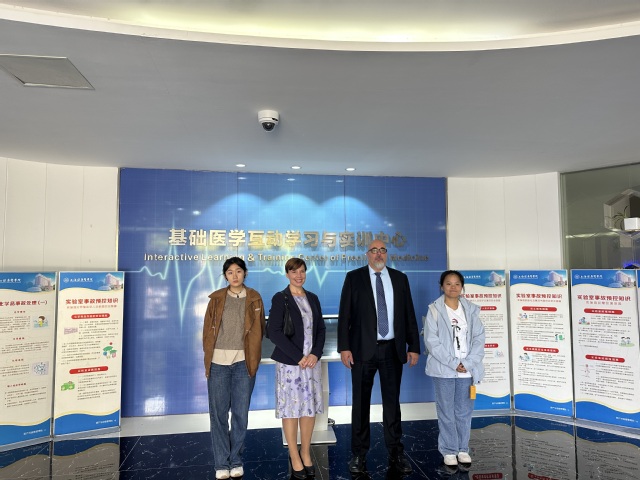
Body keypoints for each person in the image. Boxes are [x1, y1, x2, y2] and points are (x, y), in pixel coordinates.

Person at [337, 239, 420, 474]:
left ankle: (396, 452)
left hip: (392, 350)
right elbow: (345, 315)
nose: (378, 254)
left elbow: (409, 314)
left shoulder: (399, 279)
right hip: (362, 351)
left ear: (386, 254)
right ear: (367, 254)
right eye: (374, 250)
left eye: (382, 250)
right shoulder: (354, 278)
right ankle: (359, 454)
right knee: (360, 404)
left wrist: (413, 346)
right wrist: (344, 347)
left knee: (392, 404)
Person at [202, 257, 266, 480]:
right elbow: (207, 331)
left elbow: (260, 329)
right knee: (218, 414)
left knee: (240, 414)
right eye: (230, 272)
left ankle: (236, 460)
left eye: (239, 271)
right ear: (225, 275)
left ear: (245, 273)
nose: (235, 275)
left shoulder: (255, 298)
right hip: (218, 363)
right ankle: (221, 463)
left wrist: (253, 354)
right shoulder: (216, 299)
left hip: (243, 363)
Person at [268, 258, 326, 479]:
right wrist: (299, 357)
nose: (299, 275)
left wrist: (315, 354)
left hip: (311, 364)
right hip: (290, 365)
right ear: (287, 274)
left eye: (302, 271)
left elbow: (320, 329)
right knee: (291, 410)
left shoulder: (313, 298)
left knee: (309, 409)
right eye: (294, 272)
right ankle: (294, 455)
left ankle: (305, 452)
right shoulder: (280, 298)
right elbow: (274, 332)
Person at [424, 270, 485, 468]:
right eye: (448, 283)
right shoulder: (434, 310)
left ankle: (462, 448)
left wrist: (467, 363)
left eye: (457, 284)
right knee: (446, 411)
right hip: (444, 369)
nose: (453, 287)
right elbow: (431, 341)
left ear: (462, 287)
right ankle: (449, 450)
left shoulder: (471, 310)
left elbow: (479, 339)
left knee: (463, 411)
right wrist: (452, 363)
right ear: (441, 286)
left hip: (467, 370)